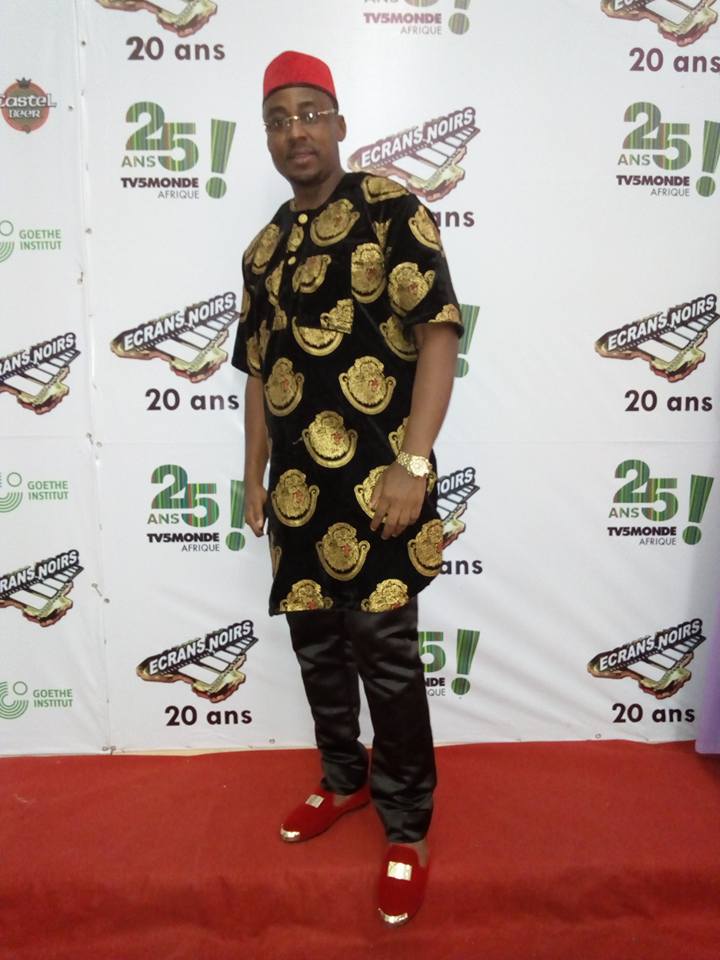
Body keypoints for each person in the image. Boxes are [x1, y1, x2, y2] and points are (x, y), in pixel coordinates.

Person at [232, 50, 461, 926]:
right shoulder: (263, 249)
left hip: (380, 487)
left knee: (384, 653)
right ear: (267, 137)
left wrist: (415, 463)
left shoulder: (393, 211)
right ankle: (342, 777)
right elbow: (259, 371)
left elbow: (438, 333)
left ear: (338, 124)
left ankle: (407, 827)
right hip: (296, 493)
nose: (295, 131)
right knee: (316, 646)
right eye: (278, 119)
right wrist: (252, 472)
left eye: (308, 113)